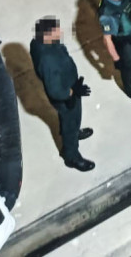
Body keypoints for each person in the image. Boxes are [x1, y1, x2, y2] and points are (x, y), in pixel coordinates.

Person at [30, 17, 95, 171]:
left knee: (69, 120)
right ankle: (71, 156)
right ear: (46, 35)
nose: (61, 32)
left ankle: (71, 131)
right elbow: (55, 91)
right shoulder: (47, 59)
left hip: (68, 85)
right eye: (56, 31)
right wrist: (73, 92)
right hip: (66, 95)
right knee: (71, 119)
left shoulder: (38, 43)